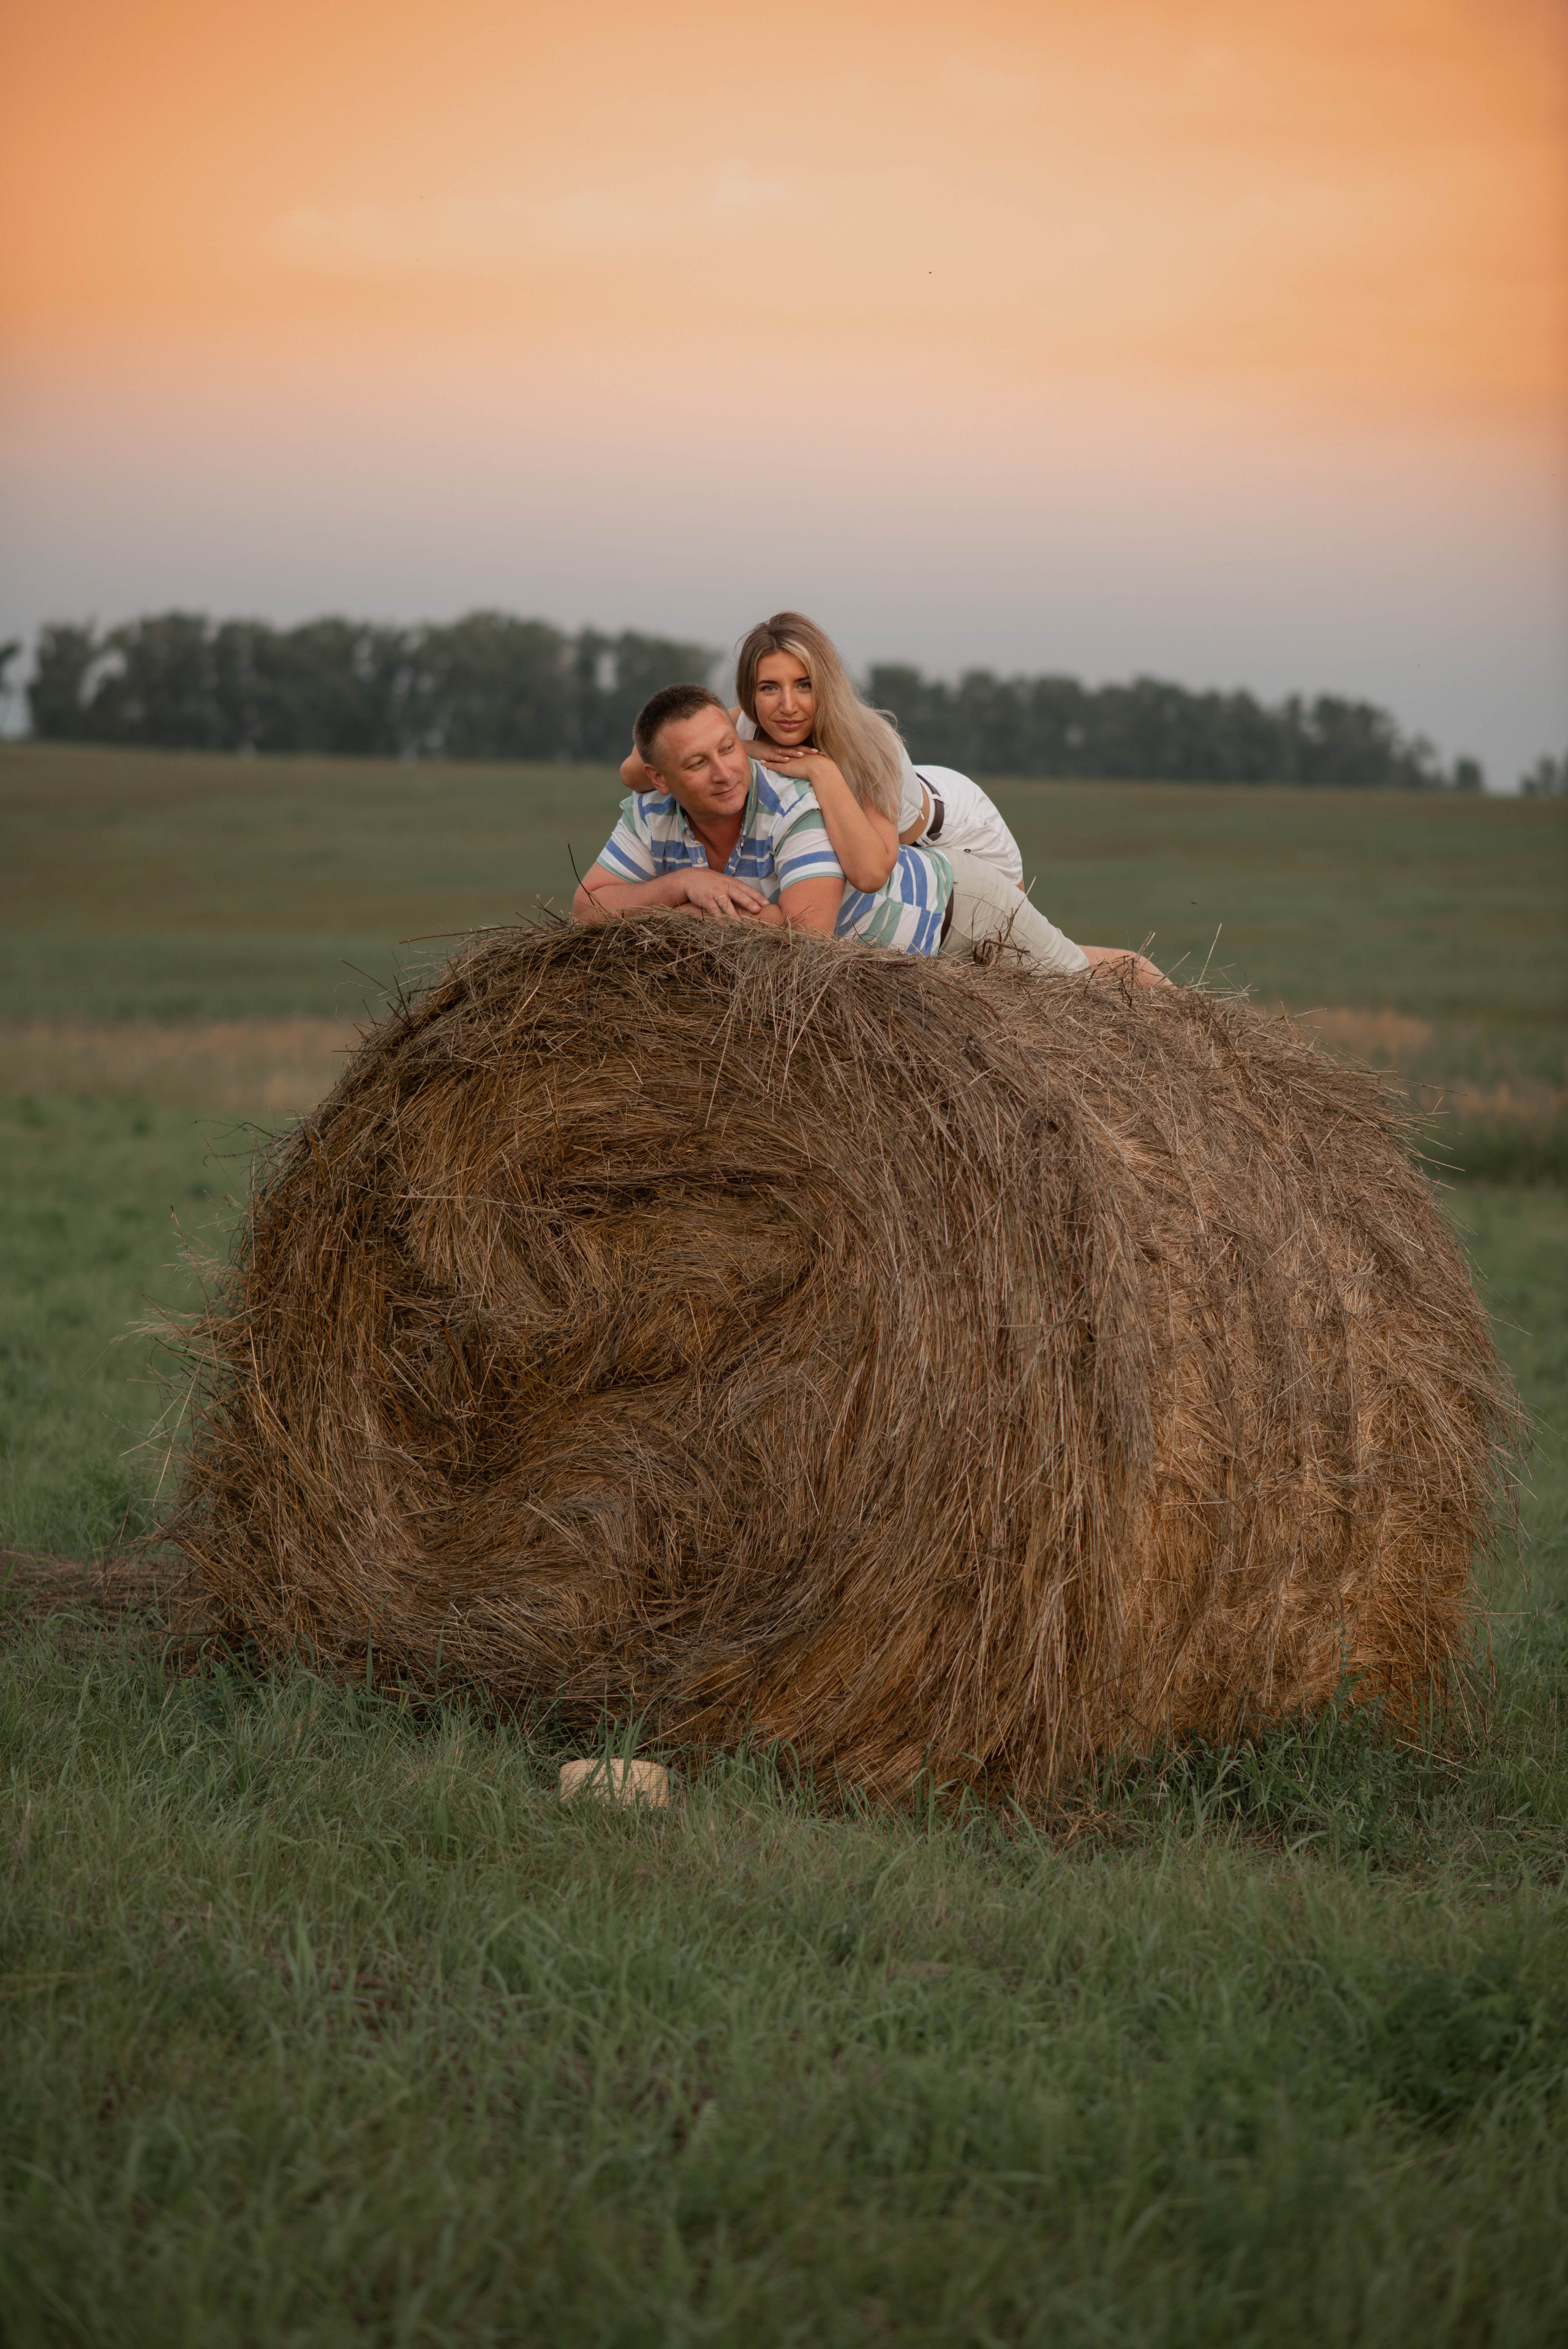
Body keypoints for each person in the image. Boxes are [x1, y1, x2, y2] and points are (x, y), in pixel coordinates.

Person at [617, 611, 1159, 983]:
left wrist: (825, 773)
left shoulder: (867, 744)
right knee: (1014, 975)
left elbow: (871, 871)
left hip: (953, 828)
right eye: (768, 688)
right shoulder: (737, 729)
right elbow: (637, 771)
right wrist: (722, 752)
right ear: (747, 693)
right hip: (913, 872)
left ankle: (1159, 994)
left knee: (1061, 978)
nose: (786, 705)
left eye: (804, 685)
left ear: (826, 684)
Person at [574, 682, 952, 956]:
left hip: (949, 911)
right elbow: (587, 910)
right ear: (659, 779)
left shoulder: (795, 803)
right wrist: (685, 884)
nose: (724, 773)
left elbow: (806, 939)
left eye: (728, 748)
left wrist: (691, 916)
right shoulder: (650, 811)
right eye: (697, 763)